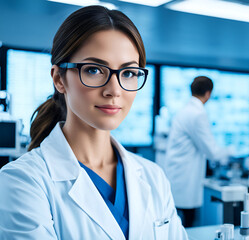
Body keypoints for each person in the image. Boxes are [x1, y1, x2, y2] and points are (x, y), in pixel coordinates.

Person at [0, 6, 187, 240]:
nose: (114, 90)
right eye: (94, 70)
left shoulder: (153, 176)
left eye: (128, 73)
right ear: (59, 78)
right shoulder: (22, 182)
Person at [164, 76, 230, 227]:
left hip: (178, 173)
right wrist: (230, 151)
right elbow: (211, 151)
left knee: (179, 220)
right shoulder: (197, 114)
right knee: (186, 221)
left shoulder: (185, 111)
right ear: (208, 93)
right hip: (185, 176)